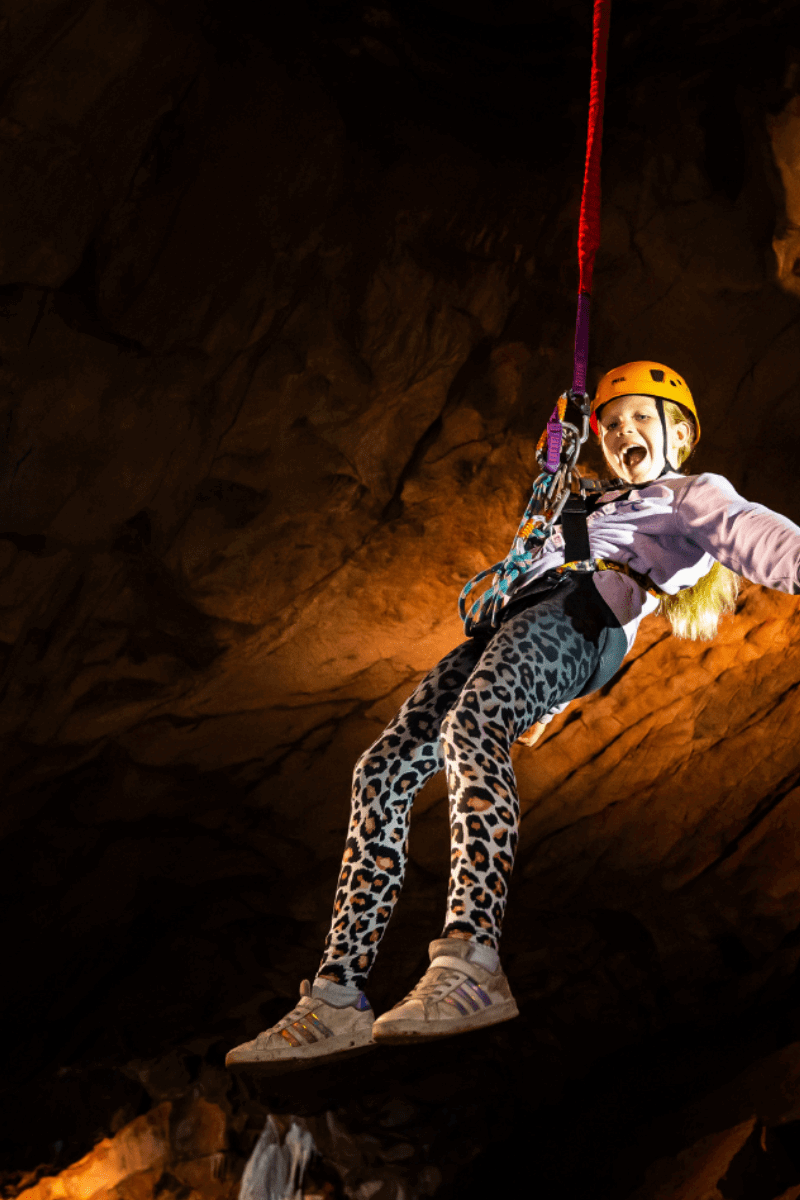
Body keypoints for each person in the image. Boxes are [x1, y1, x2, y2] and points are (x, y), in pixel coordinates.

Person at [226, 360, 800, 1072]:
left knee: (472, 728)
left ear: (677, 432)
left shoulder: (688, 496)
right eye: (612, 424)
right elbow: (545, 505)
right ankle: (337, 994)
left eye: (639, 420)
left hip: (583, 618)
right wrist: (557, 452)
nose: (623, 432)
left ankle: (472, 961)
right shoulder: (583, 500)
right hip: (513, 625)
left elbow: (758, 537)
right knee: (382, 768)